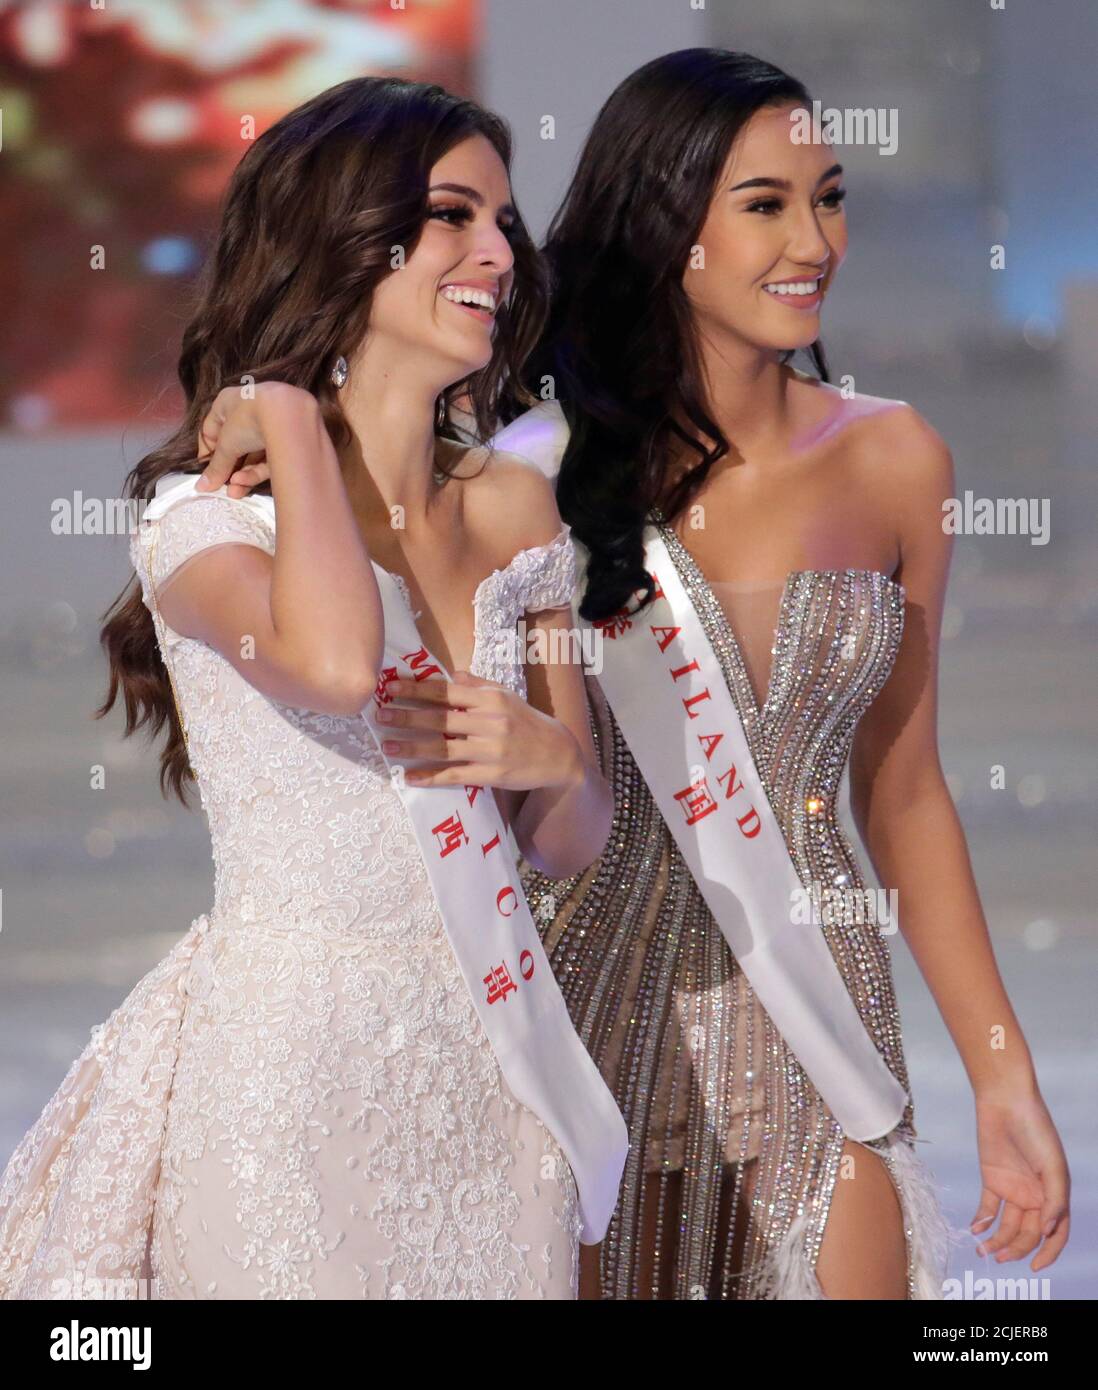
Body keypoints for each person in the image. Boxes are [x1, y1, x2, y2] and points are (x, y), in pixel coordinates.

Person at [0, 76, 626, 1302]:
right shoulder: (206, 521)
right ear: (345, 238)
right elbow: (340, 667)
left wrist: (553, 758)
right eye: (453, 216)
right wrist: (289, 409)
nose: (496, 252)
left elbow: (569, 840)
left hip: (494, 1073)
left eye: (504, 222)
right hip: (287, 1070)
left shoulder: (515, 505)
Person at [490, 49, 1071, 1300]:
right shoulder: (532, 475)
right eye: (764, 204)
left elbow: (904, 795)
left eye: (830, 195)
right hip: (592, 1006)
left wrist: (1000, 1068)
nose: (814, 238)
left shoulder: (899, 459)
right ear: (665, 228)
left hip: (821, 1008)